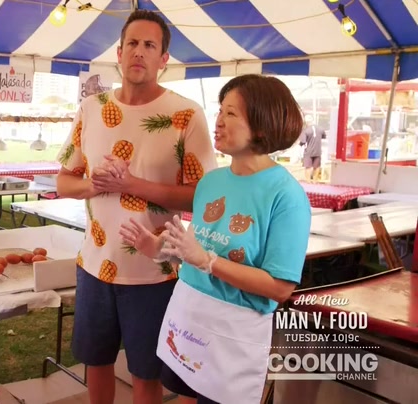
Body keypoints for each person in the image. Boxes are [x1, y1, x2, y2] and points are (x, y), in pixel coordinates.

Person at [54, 9, 217, 404]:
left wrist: (131, 185)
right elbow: (63, 182)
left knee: (146, 372)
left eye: (149, 45)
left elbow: (202, 196)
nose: (139, 52)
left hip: (155, 272)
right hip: (95, 265)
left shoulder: (185, 115)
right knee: (96, 363)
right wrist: (95, 184)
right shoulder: (91, 109)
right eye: (132, 43)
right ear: (119, 52)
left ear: (164, 59)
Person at [119, 74, 311, 404]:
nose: (218, 121)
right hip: (188, 319)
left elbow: (280, 287)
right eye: (220, 110)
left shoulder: (286, 196)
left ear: (262, 125)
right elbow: (198, 249)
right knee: (184, 390)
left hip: (232, 335)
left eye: (231, 113)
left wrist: (209, 262)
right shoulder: (210, 183)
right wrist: (160, 250)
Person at [299, 115, 325, 181]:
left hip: (308, 152)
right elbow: (324, 136)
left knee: (308, 167)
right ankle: (315, 181)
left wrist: (300, 144)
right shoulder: (321, 129)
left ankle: (308, 182)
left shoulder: (306, 130)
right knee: (317, 167)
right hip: (318, 151)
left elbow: (303, 141)